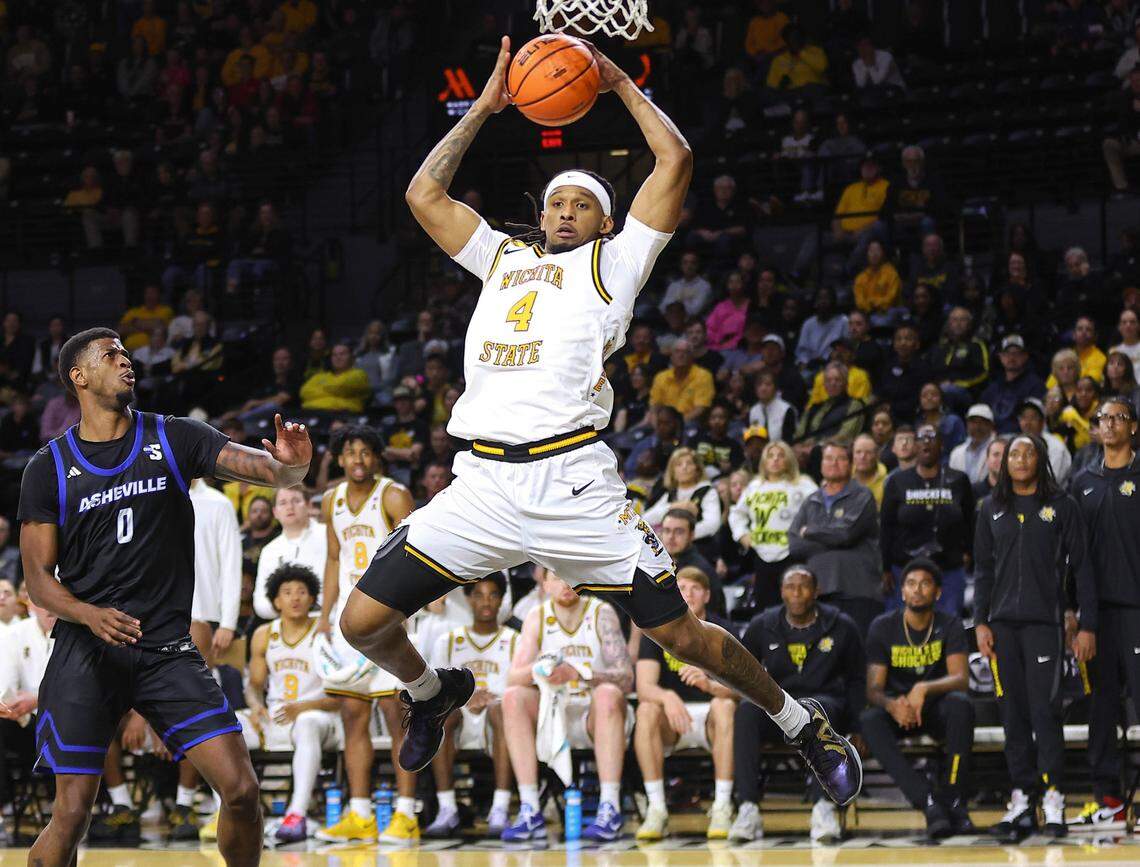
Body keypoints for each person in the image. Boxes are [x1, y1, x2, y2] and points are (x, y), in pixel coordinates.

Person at [344, 38, 861, 845]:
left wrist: (617, 83)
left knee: (682, 634)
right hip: (481, 484)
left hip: (573, 484)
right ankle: (430, 690)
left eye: (580, 204)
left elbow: (677, 158)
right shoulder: (502, 257)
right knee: (361, 622)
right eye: (555, 202)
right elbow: (422, 192)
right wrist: (483, 108)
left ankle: (800, 722)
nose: (562, 212)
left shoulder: (615, 265)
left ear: (606, 221)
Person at [17, 327, 312, 867]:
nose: (126, 362)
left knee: (243, 792)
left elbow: (268, 469)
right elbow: (37, 579)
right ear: (78, 377)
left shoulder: (174, 437)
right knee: (73, 813)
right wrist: (87, 614)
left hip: (165, 648)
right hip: (86, 649)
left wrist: (291, 465)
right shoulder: (49, 467)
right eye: (112, 356)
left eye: (129, 354)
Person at [974, 434, 1097, 841]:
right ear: (1004, 462)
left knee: (1045, 715)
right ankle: (1023, 799)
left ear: (1040, 460)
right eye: (1014, 453)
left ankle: (1054, 798)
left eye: (1028, 452)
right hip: (1002, 626)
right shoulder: (991, 508)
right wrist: (981, 623)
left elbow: (1083, 569)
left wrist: (1086, 622)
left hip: (1045, 625)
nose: (1021, 459)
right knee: (1012, 714)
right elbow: (984, 571)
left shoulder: (1062, 507)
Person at [315, 425, 415, 844]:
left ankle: (406, 815)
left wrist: (408, 608)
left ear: (377, 458)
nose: (358, 460)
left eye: (366, 453)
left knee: (398, 716)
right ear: (339, 459)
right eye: (350, 453)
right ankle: (359, 814)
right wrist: (325, 615)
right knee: (353, 717)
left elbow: (416, 554)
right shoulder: (329, 500)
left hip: (392, 614)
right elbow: (335, 559)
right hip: (348, 618)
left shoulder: (393, 495)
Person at [730, 565, 864, 844]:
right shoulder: (762, 625)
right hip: (778, 707)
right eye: (790, 587)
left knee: (820, 710)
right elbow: (741, 673)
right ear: (781, 592)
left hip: (825, 703)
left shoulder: (842, 625)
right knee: (745, 711)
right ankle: (747, 808)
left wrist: (856, 727)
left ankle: (822, 807)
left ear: (816, 592)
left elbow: (856, 681)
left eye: (803, 587)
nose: (796, 593)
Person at [501, 569, 634, 841]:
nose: (566, 583)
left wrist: (580, 673)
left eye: (570, 574)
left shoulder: (601, 612)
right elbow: (513, 676)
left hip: (597, 715)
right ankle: (530, 809)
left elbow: (626, 678)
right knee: (513, 696)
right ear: (545, 583)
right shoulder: (537, 616)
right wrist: (541, 668)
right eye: (557, 577)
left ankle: (610, 807)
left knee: (608, 693)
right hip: (553, 716)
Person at [860, 559, 975, 839]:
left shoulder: (950, 624)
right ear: (901, 592)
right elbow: (873, 689)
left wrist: (923, 688)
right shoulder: (883, 626)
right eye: (910, 584)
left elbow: (960, 678)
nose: (917, 590)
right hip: (899, 712)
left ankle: (954, 798)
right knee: (869, 720)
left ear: (937, 592)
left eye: (925, 584)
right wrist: (893, 704)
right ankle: (928, 802)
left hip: (936, 708)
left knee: (962, 706)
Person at [1069, 397, 1140, 832]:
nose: (1110, 424)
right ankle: (1109, 801)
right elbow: (1075, 559)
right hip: (1097, 618)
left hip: (1138, 611)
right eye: (1103, 418)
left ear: (1133, 427)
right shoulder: (1082, 482)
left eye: (1119, 417)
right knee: (1101, 710)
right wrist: (1076, 616)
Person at [634, 566, 737, 841]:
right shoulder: (655, 630)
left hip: (712, 719)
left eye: (695, 588)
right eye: (682, 588)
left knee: (725, 707)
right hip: (673, 720)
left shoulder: (725, 630)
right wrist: (667, 697)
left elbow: (742, 691)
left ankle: (722, 805)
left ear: (707, 595)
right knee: (646, 710)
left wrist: (709, 685)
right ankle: (656, 809)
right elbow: (644, 687)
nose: (688, 594)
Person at [242, 564, 340, 843]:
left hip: (320, 718)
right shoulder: (264, 634)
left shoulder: (326, 632)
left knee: (306, 724)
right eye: (287, 592)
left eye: (302, 592)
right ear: (275, 601)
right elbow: (254, 686)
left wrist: (304, 708)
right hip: (278, 716)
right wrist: (255, 707)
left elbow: (341, 698)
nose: (295, 598)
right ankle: (227, 812)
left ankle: (297, 814)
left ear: (312, 598)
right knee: (227, 725)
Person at [424, 574, 518, 838]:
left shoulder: (514, 639)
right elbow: (437, 689)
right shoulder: (449, 641)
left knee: (502, 710)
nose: (486, 602)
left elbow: (519, 688)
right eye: (478, 595)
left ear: (501, 601)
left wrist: (491, 698)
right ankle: (447, 808)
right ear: (467, 599)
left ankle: (500, 807)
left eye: (493, 595)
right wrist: (466, 698)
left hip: (499, 714)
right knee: (442, 714)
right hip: (461, 715)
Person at [176, 475, 244, 841]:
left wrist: (228, 622)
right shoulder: (149, 491)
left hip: (205, 617)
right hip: (153, 617)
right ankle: (164, 800)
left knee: (194, 709)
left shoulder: (217, 503)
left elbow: (231, 563)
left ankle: (186, 800)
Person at [788, 440, 883, 634]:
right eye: (829, 458)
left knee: (858, 656)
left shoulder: (862, 496)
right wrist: (835, 540)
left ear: (851, 464)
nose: (834, 463)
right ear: (821, 464)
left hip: (858, 590)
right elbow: (794, 545)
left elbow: (846, 534)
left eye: (841, 458)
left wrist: (811, 532)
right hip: (819, 592)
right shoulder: (811, 500)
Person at [880, 426, 974, 615]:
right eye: (921, 438)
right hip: (904, 571)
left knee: (947, 629)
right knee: (905, 632)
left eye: (932, 438)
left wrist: (968, 552)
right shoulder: (897, 481)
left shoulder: (959, 480)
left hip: (948, 570)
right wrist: (885, 568)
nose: (926, 442)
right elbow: (886, 527)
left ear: (942, 445)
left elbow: (970, 522)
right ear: (915, 446)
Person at [729, 441, 818, 610]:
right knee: (765, 606)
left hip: (792, 553)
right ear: (764, 461)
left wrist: (810, 532)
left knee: (795, 603)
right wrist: (742, 535)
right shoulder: (755, 487)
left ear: (790, 459)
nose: (775, 460)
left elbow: (819, 511)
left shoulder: (803, 485)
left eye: (780, 455)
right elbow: (736, 513)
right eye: (771, 455)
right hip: (762, 554)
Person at [252, 485, 328, 622]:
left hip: (328, 620)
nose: (290, 507)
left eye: (296, 501)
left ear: (309, 505)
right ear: (275, 512)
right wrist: (287, 607)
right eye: (283, 503)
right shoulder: (270, 551)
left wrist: (309, 606)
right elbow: (260, 603)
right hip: (285, 625)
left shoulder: (328, 535)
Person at [643, 447, 722, 545]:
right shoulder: (670, 493)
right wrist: (674, 506)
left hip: (699, 547)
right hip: (670, 548)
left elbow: (712, 524)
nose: (684, 467)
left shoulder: (707, 491)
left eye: (689, 463)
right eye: (679, 464)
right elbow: (645, 519)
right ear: (673, 472)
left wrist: (683, 536)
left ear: (697, 469)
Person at [981, 335, 1046, 434]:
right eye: (1007, 353)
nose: (1011, 358)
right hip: (992, 439)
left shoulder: (1035, 386)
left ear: (1025, 356)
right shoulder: (993, 388)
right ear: (1000, 357)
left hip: (1022, 437)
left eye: (1016, 353)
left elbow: (1035, 419)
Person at [1017, 397, 1073, 484]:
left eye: (1033, 418)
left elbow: (1051, 482)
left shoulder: (1055, 447)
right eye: (1024, 417)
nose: (1027, 423)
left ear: (1042, 422)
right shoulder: (1017, 444)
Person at [949, 404, 995, 485]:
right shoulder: (956, 452)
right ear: (967, 424)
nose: (977, 427)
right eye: (973, 422)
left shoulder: (999, 450)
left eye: (982, 422)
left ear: (991, 425)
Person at [852, 431, 888, 505]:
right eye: (858, 452)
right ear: (853, 455)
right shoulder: (842, 478)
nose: (862, 457)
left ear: (877, 456)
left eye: (868, 452)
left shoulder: (888, 483)